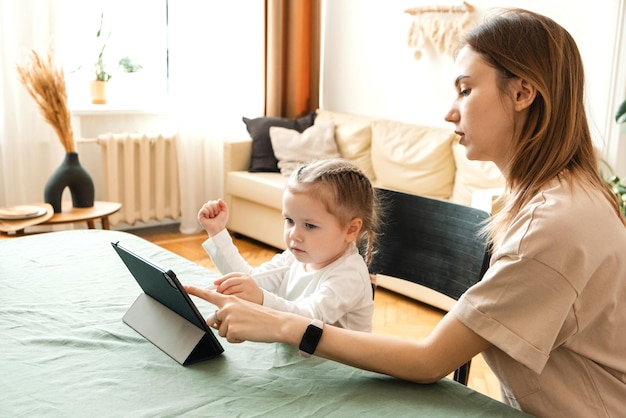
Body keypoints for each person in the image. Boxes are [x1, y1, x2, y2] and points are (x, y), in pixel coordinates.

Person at [185, 8, 626, 417]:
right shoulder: (553, 197)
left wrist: (282, 325)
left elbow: (429, 360)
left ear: (523, 92)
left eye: (466, 89)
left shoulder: (553, 223)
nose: (450, 111)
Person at [197, 158, 380, 332]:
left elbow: (308, 318)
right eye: (290, 220)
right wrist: (218, 232)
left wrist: (261, 298)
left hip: (337, 364)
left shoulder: (350, 276)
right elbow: (249, 280)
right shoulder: (294, 257)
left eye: (309, 225)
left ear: (350, 230)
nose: (294, 234)